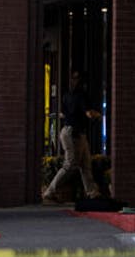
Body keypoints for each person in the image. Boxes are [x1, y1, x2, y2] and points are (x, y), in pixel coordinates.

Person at [42, 70, 102, 202]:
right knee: (70, 164)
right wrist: (99, 115)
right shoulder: (81, 95)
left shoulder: (67, 95)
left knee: (85, 164)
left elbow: (62, 114)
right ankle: (50, 192)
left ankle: (92, 193)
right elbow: (89, 114)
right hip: (73, 133)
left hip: (73, 132)